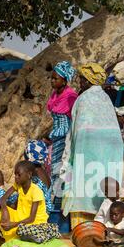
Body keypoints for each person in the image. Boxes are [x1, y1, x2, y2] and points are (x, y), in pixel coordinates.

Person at [60, 63, 124, 229]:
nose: (80, 82)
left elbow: (76, 133)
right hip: (108, 158)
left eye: (82, 79)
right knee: (103, 190)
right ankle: (103, 229)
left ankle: (82, 232)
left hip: (86, 157)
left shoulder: (83, 98)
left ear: (89, 80)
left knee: (82, 190)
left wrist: (70, 158)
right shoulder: (106, 99)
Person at [0, 161, 48, 241]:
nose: (16, 177)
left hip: (34, 222)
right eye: (15, 175)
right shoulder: (18, 184)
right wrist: (5, 210)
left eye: (19, 175)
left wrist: (12, 225)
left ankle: (9, 237)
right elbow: (3, 198)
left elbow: (31, 218)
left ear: (29, 175)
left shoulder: (36, 191)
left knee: (21, 230)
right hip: (20, 217)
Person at [47, 61, 78, 205]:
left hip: (65, 136)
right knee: (54, 168)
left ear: (64, 80)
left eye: (56, 78)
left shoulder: (71, 96)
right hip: (56, 136)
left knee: (61, 168)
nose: (53, 81)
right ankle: (55, 197)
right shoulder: (54, 94)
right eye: (52, 78)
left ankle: (59, 201)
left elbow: (74, 118)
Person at [24, 140, 52, 214]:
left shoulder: (34, 175)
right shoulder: (43, 172)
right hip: (44, 212)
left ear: (28, 155)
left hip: (37, 215)